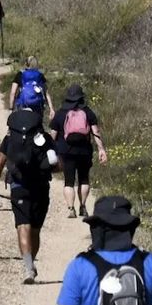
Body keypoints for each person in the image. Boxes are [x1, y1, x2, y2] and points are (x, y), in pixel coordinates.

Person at [0, 107, 58, 283]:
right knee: (35, 229)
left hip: (18, 186)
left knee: (22, 226)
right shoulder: (45, 138)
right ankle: (31, 263)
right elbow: (57, 164)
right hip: (40, 187)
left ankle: (28, 268)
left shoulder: (10, 139)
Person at [51, 83, 108, 218]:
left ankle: (71, 209)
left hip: (66, 152)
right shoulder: (88, 112)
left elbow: (53, 135)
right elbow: (96, 132)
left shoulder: (60, 113)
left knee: (68, 181)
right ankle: (83, 207)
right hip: (84, 151)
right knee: (84, 179)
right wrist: (101, 149)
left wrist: (50, 150)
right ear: (81, 97)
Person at [6, 55, 54, 120]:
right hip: (37, 105)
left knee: (21, 123)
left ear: (26, 64)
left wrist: (11, 108)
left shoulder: (20, 74)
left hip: (22, 104)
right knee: (37, 124)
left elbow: (13, 93)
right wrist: (51, 109)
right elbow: (46, 93)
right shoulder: (40, 75)